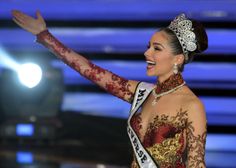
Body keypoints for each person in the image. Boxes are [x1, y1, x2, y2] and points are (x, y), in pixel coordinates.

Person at [12, 10, 208, 168]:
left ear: (178, 59)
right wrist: (45, 36)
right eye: (148, 46)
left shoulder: (191, 105)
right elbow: (90, 70)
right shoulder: (142, 92)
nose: (146, 53)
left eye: (156, 48)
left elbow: (196, 164)